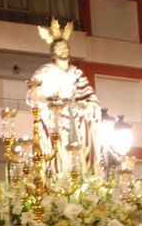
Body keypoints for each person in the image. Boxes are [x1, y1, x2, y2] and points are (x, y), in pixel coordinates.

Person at [30, 19, 101, 175]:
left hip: (74, 117)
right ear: (52, 52)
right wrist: (51, 102)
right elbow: (34, 94)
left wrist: (86, 107)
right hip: (54, 117)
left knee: (79, 148)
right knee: (58, 151)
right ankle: (57, 175)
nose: (64, 50)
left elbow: (88, 95)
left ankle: (81, 173)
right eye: (59, 47)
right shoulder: (45, 71)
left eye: (65, 47)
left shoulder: (76, 72)